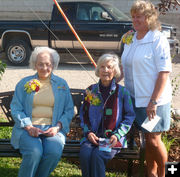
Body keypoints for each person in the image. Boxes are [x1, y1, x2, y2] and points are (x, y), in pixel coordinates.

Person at [120, 1, 172, 177]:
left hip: (154, 101)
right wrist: (109, 78)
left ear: (149, 18)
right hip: (135, 98)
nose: (135, 20)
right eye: (133, 16)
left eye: (139, 16)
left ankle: (165, 173)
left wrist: (153, 101)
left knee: (154, 139)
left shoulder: (158, 39)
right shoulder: (130, 38)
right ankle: (151, 174)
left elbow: (164, 72)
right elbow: (125, 67)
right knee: (147, 139)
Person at [10, 46, 74, 177]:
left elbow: (69, 110)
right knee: (34, 152)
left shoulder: (61, 84)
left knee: (54, 152)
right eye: (40, 64)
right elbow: (16, 108)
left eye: (48, 64)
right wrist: (28, 127)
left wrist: (57, 127)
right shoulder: (24, 83)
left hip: (53, 129)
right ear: (34, 64)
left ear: (53, 65)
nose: (44, 68)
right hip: (28, 128)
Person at [79, 53, 135, 177]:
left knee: (98, 155)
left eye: (109, 67)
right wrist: (88, 132)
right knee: (85, 153)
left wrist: (117, 134)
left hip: (113, 139)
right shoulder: (90, 90)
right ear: (98, 70)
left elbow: (129, 117)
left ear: (115, 71)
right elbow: (84, 114)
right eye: (102, 67)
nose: (105, 70)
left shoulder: (123, 92)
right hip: (92, 137)